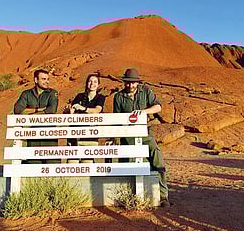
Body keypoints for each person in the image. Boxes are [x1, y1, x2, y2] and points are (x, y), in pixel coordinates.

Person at [113, 68, 170, 208]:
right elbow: (117, 119)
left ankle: (163, 196)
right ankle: (128, 196)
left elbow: (158, 107)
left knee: (157, 156)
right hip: (128, 136)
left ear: (137, 83)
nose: (130, 86)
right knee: (128, 162)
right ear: (124, 82)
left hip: (144, 134)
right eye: (128, 83)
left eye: (133, 83)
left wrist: (144, 112)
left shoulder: (146, 92)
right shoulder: (119, 97)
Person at [13, 69, 58, 162]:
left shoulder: (52, 93)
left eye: (47, 79)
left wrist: (29, 111)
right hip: (33, 135)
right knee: (33, 163)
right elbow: (18, 110)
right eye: (43, 79)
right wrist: (40, 110)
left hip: (49, 135)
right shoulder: (27, 94)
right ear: (36, 80)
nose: (47, 82)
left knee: (51, 163)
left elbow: (51, 110)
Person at [65, 74, 106, 156]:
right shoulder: (79, 96)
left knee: (87, 160)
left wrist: (84, 109)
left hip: (91, 134)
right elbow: (72, 110)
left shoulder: (100, 97)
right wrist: (69, 110)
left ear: (98, 85)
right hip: (76, 133)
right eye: (90, 81)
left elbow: (97, 110)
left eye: (95, 82)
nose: (92, 83)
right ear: (87, 83)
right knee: (73, 160)